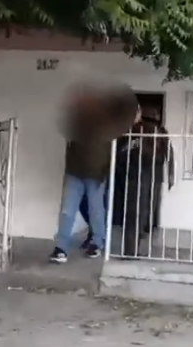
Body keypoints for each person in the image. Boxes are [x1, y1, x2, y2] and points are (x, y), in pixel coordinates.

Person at [50, 88, 138, 264]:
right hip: (75, 172)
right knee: (68, 210)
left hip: (96, 174)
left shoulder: (108, 124)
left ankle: (97, 242)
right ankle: (61, 247)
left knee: (95, 209)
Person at [113, 106, 174, 257]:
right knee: (146, 213)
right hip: (153, 177)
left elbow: (119, 153)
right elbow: (169, 154)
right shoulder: (160, 131)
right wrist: (171, 176)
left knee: (134, 214)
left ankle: (131, 250)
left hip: (135, 177)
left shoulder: (133, 130)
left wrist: (121, 173)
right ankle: (136, 247)